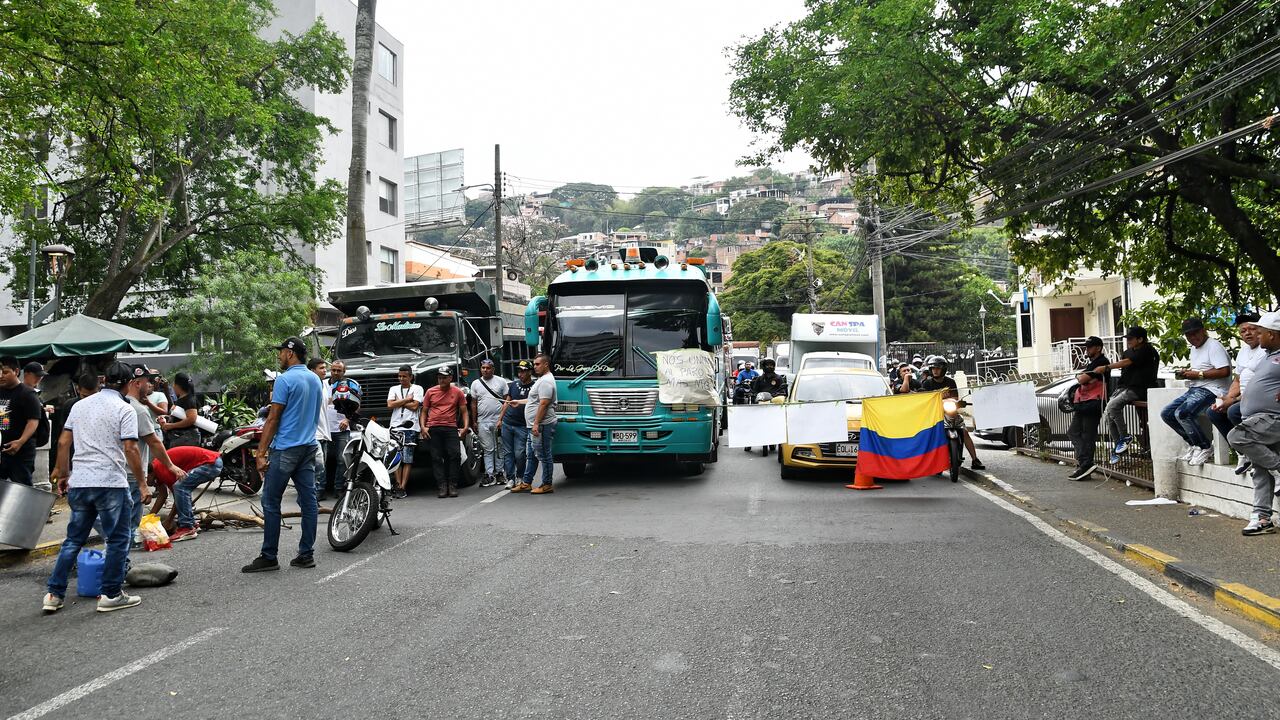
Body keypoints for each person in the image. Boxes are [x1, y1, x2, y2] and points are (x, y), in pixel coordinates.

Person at [42, 361, 150, 614]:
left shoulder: (80, 406)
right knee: (117, 539)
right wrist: (143, 482)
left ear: (103, 381)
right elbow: (131, 448)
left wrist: (64, 474)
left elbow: (63, 442)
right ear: (126, 384)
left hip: (80, 482)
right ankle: (111, 594)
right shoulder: (125, 409)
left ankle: (54, 594)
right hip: (110, 482)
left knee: (73, 541)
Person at [242, 337, 323, 573]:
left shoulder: (284, 380)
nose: (278, 356)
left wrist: (261, 452)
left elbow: (273, 418)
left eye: (280, 353)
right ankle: (306, 554)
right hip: (308, 446)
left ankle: (269, 556)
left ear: (290, 353)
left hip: (286, 448)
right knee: (308, 503)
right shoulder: (315, 379)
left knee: (270, 501)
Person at [111, 365, 185, 544]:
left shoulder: (115, 405)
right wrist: (170, 465)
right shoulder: (137, 409)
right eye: (147, 381)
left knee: (115, 520)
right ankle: (120, 564)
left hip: (113, 471)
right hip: (131, 473)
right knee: (128, 525)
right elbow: (153, 442)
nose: (150, 384)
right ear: (136, 383)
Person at [1227, 311, 1280, 536]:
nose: (1256, 335)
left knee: (1237, 437)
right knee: (1260, 469)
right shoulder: (1269, 355)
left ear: (1273, 334)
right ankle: (1262, 518)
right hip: (1259, 419)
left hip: (1272, 419)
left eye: (1260, 332)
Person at [1160, 317, 1232, 466]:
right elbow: (1202, 369)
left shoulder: (1214, 346)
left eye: (1195, 333)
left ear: (1203, 330)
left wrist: (1198, 374)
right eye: (1188, 335)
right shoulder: (1193, 349)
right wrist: (1189, 373)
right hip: (1197, 388)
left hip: (1214, 390)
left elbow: (1224, 371)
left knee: (1183, 413)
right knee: (1167, 414)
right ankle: (1195, 445)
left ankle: (1205, 447)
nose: (1193, 338)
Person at [1208, 312, 1265, 474]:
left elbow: (1262, 384)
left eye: (1251, 329)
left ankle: (1256, 455)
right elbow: (1238, 380)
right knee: (1214, 411)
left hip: (1258, 398)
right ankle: (1243, 452)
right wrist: (1227, 398)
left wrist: (1232, 401)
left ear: (1260, 329)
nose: (1247, 333)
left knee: (1234, 411)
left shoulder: (1266, 350)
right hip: (1243, 398)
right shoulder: (1244, 351)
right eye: (1242, 331)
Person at [1097, 326, 1161, 464]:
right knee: (1108, 413)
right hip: (1125, 387)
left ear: (1140, 339)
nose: (1128, 341)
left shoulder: (1147, 350)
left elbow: (1127, 362)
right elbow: (1125, 369)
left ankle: (1125, 437)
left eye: (1131, 339)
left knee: (1113, 406)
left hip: (1140, 388)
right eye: (1127, 339)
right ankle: (1118, 446)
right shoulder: (1127, 352)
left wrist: (1107, 367)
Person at [919, 355, 985, 470]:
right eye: (933, 368)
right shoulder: (927, 384)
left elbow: (955, 398)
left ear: (943, 369)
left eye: (938, 368)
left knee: (964, 432)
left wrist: (958, 402)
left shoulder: (950, 382)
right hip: (935, 415)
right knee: (928, 435)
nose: (935, 371)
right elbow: (924, 400)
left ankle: (975, 459)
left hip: (951, 413)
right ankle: (926, 460)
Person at [152, 445, 223, 543]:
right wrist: (149, 519)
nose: (148, 485)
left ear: (148, 474)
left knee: (180, 487)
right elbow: (163, 495)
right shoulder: (155, 472)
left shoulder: (160, 468)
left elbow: (178, 499)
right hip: (212, 462)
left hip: (211, 463)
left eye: (145, 481)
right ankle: (192, 523)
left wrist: (169, 520)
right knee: (182, 487)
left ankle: (187, 528)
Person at [420, 367, 469, 498]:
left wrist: (465, 427)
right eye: (439, 377)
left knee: (455, 455)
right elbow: (424, 411)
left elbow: (464, 411)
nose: (441, 379)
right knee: (436, 457)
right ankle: (442, 485)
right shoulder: (430, 392)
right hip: (433, 428)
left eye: (444, 377)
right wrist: (423, 427)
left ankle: (452, 484)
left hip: (451, 427)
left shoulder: (457, 392)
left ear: (450, 378)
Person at [1066, 337, 1111, 481]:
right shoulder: (1093, 364)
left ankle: (1085, 465)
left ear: (1098, 348)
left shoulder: (1102, 362)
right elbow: (1082, 377)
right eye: (1086, 347)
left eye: (1090, 347)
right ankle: (1085, 463)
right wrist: (1084, 376)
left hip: (1094, 403)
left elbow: (1081, 379)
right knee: (1073, 432)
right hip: (1083, 402)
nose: (1087, 350)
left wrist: (1084, 376)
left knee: (1087, 435)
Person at [514, 353, 557, 494]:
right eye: (535, 364)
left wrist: (536, 424)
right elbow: (534, 400)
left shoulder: (545, 381)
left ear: (546, 364)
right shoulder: (542, 380)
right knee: (531, 455)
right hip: (533, 425)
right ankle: (526, 482)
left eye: (538, 364)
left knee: (544, 454)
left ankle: (547, 484)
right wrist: (518, 402)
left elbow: (544, 404)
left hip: (541, 425)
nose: (535, 367)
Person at [0, 356, 43, 486]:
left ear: (16, 372)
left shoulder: (28, 394)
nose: (1, 376)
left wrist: (20, 442)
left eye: (6, 372)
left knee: (22, 488)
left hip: (21, 451)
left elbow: (33, 421)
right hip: (2, 450)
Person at [324, 360, 361, 498]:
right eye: (333, 370)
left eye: (339, 370)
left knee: (341, 460)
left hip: (341, 429)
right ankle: (320, 490)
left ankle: (339, 488)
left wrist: (347, 419)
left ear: (344, 372)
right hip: (323, 429)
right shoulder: (322, 384)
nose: (335, 373)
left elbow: (357, 405)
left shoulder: (349, 385)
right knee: (322, 461)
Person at [387, 365, 424, 499]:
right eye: (399, 376)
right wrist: (407, 399)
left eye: (404, 376)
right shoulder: (394, 388)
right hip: (395, 427)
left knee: (407, 458)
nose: (401, 379)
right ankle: (397, 485)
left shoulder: (417, 388)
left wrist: (399, 402)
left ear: (410, 377)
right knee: (396, 457)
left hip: (411, 427)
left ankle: (403, 486)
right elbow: (390, 405)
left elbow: (415, 406)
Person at [49, 373, 98, 475]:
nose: (87, 400)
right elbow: (63, 439)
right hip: (74, 458)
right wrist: (58, 467)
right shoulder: (70, 406)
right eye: (84, 396)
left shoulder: (105, 406)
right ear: (78, 389)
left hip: (97, 460)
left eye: (92, 396)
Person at [470, 359, 509, 487]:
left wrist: (503, 419)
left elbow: (506, 402)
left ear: (493, 369)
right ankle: (489, 474)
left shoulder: (501, 382)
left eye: (488, 368)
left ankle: (499, 473)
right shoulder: (476, 383)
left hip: (498, 420)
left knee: (499, 447)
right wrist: (474, 421)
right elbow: (474, 403)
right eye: (483, 368)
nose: (485, 370)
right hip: (483, 421)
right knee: (488, 449)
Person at [497, 360, 534, 490]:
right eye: (519, 371)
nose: (520, 374)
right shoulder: (513, 385)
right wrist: (500, 419)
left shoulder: (534, 386)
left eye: (523, 371)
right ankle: (510, 478)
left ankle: (520, 476)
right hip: (508, 423)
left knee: (520, 453)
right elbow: (506, 402)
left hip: (522, 425)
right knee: (508, 452)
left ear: (530, 372)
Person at [306, 357, 330, 499]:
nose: (324, 370)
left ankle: (311, 499)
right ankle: (310, 499)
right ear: (312, 370)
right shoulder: (308, 385)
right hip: (313, 434)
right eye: (321, 368)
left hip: (324, 433)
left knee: (320, 469)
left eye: (324, 367)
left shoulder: (325, 385)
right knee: (317, 467)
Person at [159, 372, 200, 447]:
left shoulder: (189, 400)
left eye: (174, 384)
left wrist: (171, 425)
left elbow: (191, 419)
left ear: (178, 385)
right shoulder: (181, 399)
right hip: (178, 437)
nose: (173, 386)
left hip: (186, 438)